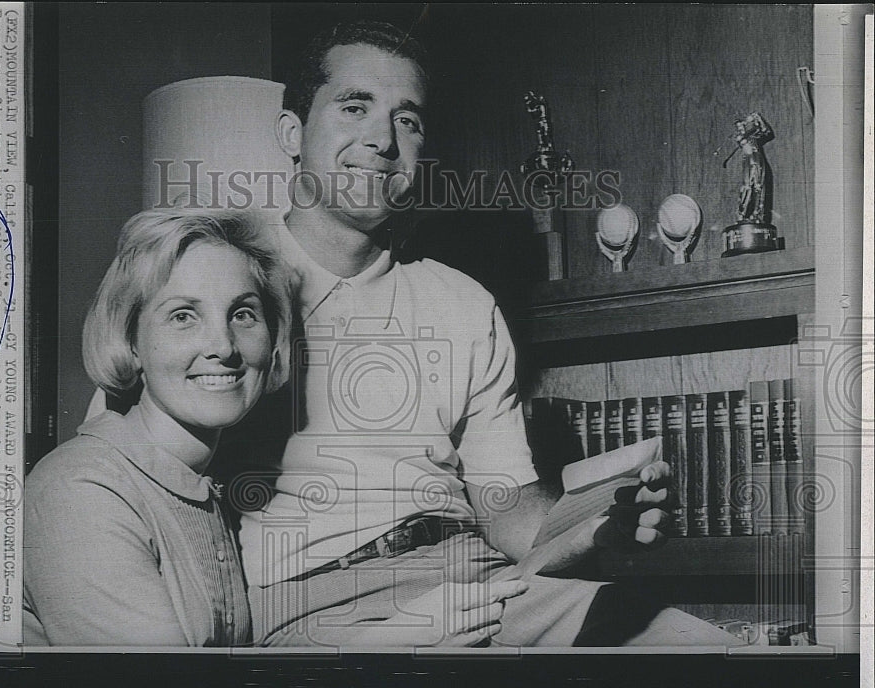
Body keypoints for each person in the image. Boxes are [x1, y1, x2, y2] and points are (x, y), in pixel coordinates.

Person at [215, 20, 741, 647]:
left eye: (406, 119)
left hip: (480, 582)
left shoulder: (461, 301)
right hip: (318, 606)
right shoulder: (222, 277)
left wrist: (595, 526)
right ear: (292, 133)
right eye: (354, 107)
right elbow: (134, 462)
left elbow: (505, 505)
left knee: (705, 657)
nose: (382, 140)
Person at [28, 208, 523, 646]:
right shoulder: (83, 491)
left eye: (243, 313)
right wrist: (394, 635)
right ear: (131, 341)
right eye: (182, 316)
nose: (222, 345)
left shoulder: (198, 488)